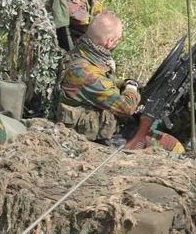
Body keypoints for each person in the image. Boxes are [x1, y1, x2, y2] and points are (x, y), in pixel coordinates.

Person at [57, 13, 140, 142]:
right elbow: (126, 108)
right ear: (109, 42)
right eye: (117, 39)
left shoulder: (83, 51)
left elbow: (105, 80)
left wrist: (123, 83)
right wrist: (132, 88)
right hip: (86, 138)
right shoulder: (86, 73)